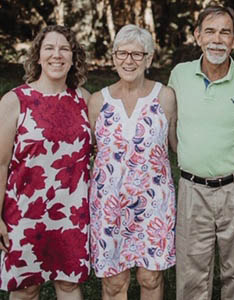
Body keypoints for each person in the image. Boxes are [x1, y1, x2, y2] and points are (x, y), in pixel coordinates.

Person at [0, 25, 92, 299]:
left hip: (72, 213)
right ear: (37, 56)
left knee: (69, 285)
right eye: (49, 48)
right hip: (24, 213)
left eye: (64, 49)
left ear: (73, 58)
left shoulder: (85, 100)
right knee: (26, 288)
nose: (56, 55)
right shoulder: (15, 101)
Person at [169, 6, 234, 300]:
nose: (217, 39)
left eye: (225, 32)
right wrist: (187, 154)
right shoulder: (180, 75)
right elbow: (169, 125)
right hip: (192, 188)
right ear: (198, 36)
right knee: (190, 272)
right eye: (210, 31)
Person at [88, 25, 177, 300]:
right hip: (109, 204)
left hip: (154, 204)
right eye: (122, 53)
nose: (129, 60)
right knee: (114, 282)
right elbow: (90, 151)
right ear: (114, 57)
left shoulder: (165, 96)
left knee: (150, 278)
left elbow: (178, 146)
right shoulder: (96, 101)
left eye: (138, 54)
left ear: (149, 58)